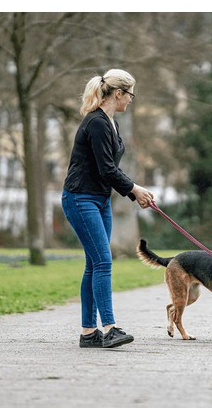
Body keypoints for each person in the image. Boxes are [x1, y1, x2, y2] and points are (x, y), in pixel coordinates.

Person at [61, 69, 154, 349]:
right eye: (130, 95)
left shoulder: (111, 123)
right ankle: (110, 328)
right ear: (118, 94)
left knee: (94, 264)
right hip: (80, 198)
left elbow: (109, 168)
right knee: (103, 262)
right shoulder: (97, 123)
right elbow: (106, 168)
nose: (131, 101)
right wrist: (134, 189)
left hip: (99, 200)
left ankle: (89, 333)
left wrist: (133, 188)